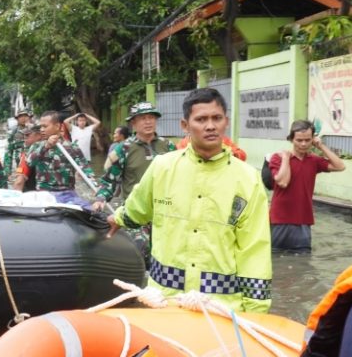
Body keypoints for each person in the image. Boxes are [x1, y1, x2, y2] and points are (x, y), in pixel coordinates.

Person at [106, 88, 272, 313]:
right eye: (201, 119)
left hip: (221, 308)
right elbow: (139, 207)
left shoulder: (248, 178)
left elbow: (254, 249)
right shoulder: (162, 167)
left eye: (216, 118)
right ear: (185, 126)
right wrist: (117, 219)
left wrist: (256, 311)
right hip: (165, 303)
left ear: (226, 122)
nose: (210, 126)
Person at [269, 120, 345, 253]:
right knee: (276, 257)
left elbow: (340, 166)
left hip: (303, 221)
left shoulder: (314, 160)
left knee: (303, 260)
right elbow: (283, 182)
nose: (303, 144)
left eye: (307, 140)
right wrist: (286, 159)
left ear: (312, 140)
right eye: (299, 140)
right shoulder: (278, 158)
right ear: (291, 139)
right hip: (280, 220)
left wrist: (321, 146)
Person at [92, 102, 176, 210]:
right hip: (135, 211)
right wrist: (100, 199)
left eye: (151, 117)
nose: (148, 122)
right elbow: (110, 180)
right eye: (143, 118)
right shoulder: (123, 149)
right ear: (133, 123)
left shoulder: (168, 146)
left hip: (165, 209)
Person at [17, 110, 95, 209]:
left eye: (45, 126)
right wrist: (46, 146)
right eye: (41, 127)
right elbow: (30, 162)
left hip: (67, 194)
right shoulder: (36, 146)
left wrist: (94, 185)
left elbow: (86, 170)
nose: (42, 130)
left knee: (90, 210)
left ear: (57, 126)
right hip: (44, 194)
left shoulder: (72, 148)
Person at [12, 124, 42, 192]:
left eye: (27, 136)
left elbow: (19, 181)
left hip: (32, 194)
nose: (25, 140)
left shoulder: (28, 153)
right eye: (24, 137)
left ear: (38, 135)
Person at [4, 110, 33, 175]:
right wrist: (7, 171)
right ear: (17, 119)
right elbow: (8, 152)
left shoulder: (35, 129)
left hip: (35, 164)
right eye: (21, 116)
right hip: (20, 164)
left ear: (29, 117)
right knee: (20, 178)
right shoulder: (13, 132)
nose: (23, 118)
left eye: (25, 116)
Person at [177, 134, 247, 161]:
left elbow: (242, 155)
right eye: (200, 120)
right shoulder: (184, 143)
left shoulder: (223, 140)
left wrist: (232, 155)